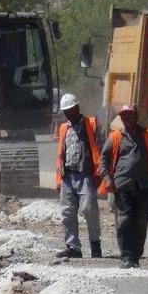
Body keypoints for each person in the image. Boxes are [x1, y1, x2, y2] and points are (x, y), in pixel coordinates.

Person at [100, 104, 148, 269]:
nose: (127, 119)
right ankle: (126, 256)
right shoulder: (115, 137)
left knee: (141, 222)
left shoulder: (147, 136)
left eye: (129, 116)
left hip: (143, 186)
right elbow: (103, 159)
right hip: (123, 185)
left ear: (136, 117)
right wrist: (107, 178)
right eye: (124, 116)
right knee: (125, 221)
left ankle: (135, 256)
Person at [54, 93, 105, 258]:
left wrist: (101, 173)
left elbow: (101, 147)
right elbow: (60, 154)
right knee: (67, 212)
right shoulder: (64, 128)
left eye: (70, 110)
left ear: (77, 108)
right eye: (65, 111)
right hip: (68, 176)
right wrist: (58, 180)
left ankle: (95, 244)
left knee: (89, 209)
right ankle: (73, 247)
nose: (68, 114)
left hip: (86, 175)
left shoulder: (91, 124)